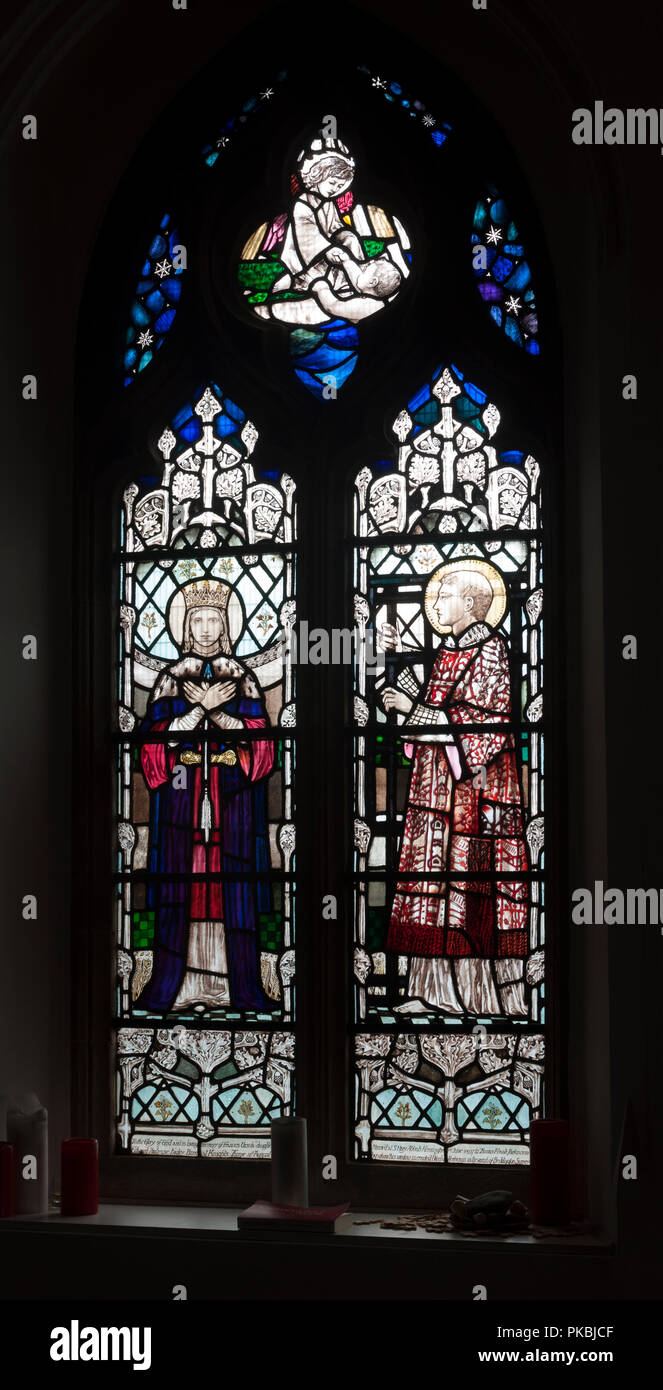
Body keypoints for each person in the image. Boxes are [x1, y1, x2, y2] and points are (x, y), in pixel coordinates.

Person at [379, 563, 529, 1016]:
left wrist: (412, 707)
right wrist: (403, 668)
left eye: (444, 594)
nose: (436, 603)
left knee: (468, 885)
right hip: (436, 787)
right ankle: (430, 991)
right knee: (433, 886)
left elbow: (482, 724)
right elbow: (437, 711)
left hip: (475, 792)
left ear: (470, 603)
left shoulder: (491, 650)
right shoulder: (448, 652)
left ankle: (476, 996)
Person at [135, 579, 274, 1014]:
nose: (208, 627)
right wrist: (198, 710)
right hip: (182, 802)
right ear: (186, 626)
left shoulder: (242, 679)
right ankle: (177, 987)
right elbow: (152, 744)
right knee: (183, 887)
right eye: (199, 619)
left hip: (234, 803)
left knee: (231, 889)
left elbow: (264, 745)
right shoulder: (171, 679)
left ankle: (237, 988)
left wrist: (219, 712)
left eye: (216, 618)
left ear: (227, 624)